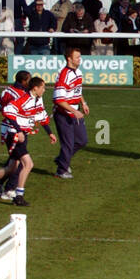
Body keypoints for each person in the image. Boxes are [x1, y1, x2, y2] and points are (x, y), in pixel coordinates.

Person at [0, 75, 55, 207]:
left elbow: (42, 116)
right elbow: (8, 111)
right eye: (43, 87)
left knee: (12, 167)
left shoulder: (37, 100)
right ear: (35, 88)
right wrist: (18, 130)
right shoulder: (24, 99)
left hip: (20, 134)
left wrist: (50, 133)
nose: (44, 90)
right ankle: (18, 196)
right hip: (14, 135)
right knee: (28, 164)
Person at [52, 46, 89, 179]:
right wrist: (74, 111)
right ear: (69, 59)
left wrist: (83, 103)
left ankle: (62, 159)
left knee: (82, 140)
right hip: (63, 114)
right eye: (77, 57)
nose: (80, 59)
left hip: (75, 111)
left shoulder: (78, 73)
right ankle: (61, 170)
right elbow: (58, 100)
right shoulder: (64, 75)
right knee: (68, 143)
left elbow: (77, 91)